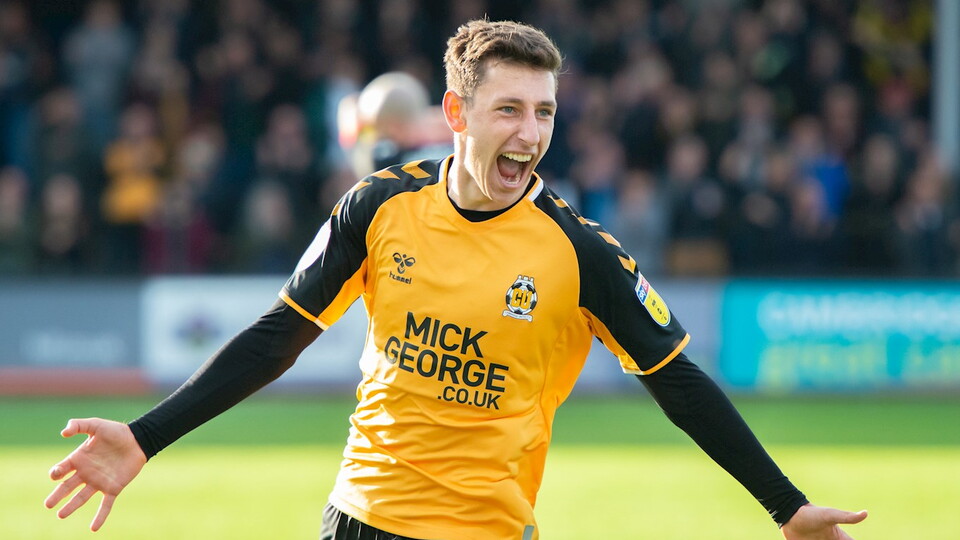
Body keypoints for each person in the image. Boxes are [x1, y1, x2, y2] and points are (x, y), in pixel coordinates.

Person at [45, 19, 867, 540]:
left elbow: (678, 382)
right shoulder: (378, 205)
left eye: (544, 112)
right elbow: (276, 338)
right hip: (359, 520)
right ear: (456, 114)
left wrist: (785, 505)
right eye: (509, 109)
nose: (531, 133)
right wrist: (146, 436)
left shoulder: (581, 252)